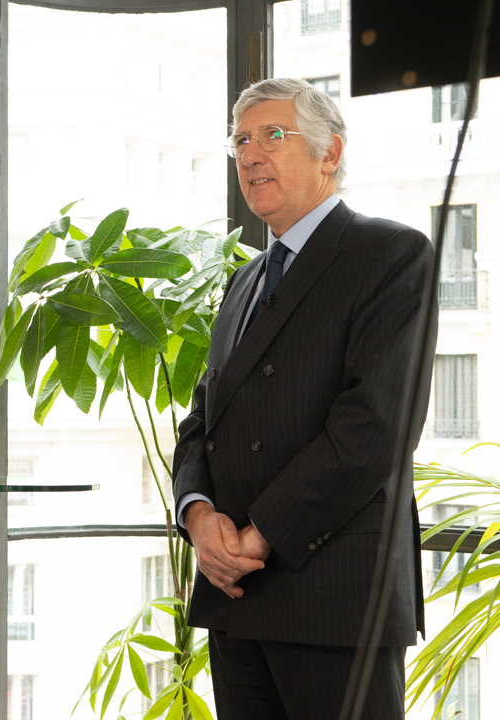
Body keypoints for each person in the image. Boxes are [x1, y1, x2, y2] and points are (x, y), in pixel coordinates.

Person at [172, 77, 436, 720]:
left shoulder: (391, 253)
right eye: (240, 140)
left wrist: (258, 538)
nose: (251, 154)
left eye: (273, 135)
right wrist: (199, 517)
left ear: (330, 152)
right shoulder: (242, 282)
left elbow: (374, 428)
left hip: (335, 600)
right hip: (234, 597)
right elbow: (203, 419)